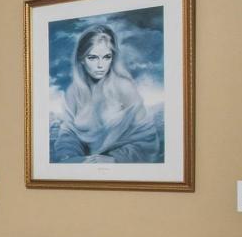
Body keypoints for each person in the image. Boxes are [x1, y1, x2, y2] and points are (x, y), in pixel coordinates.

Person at [50, 23, 163, 163]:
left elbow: (147, 141)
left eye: (106, 57)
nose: (100, 65)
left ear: (113, 58)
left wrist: (113, 159)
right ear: (81, 60)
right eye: (92, 57)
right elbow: (68, 135)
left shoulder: (124, 87)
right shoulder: (73, 92)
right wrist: (72, 158)